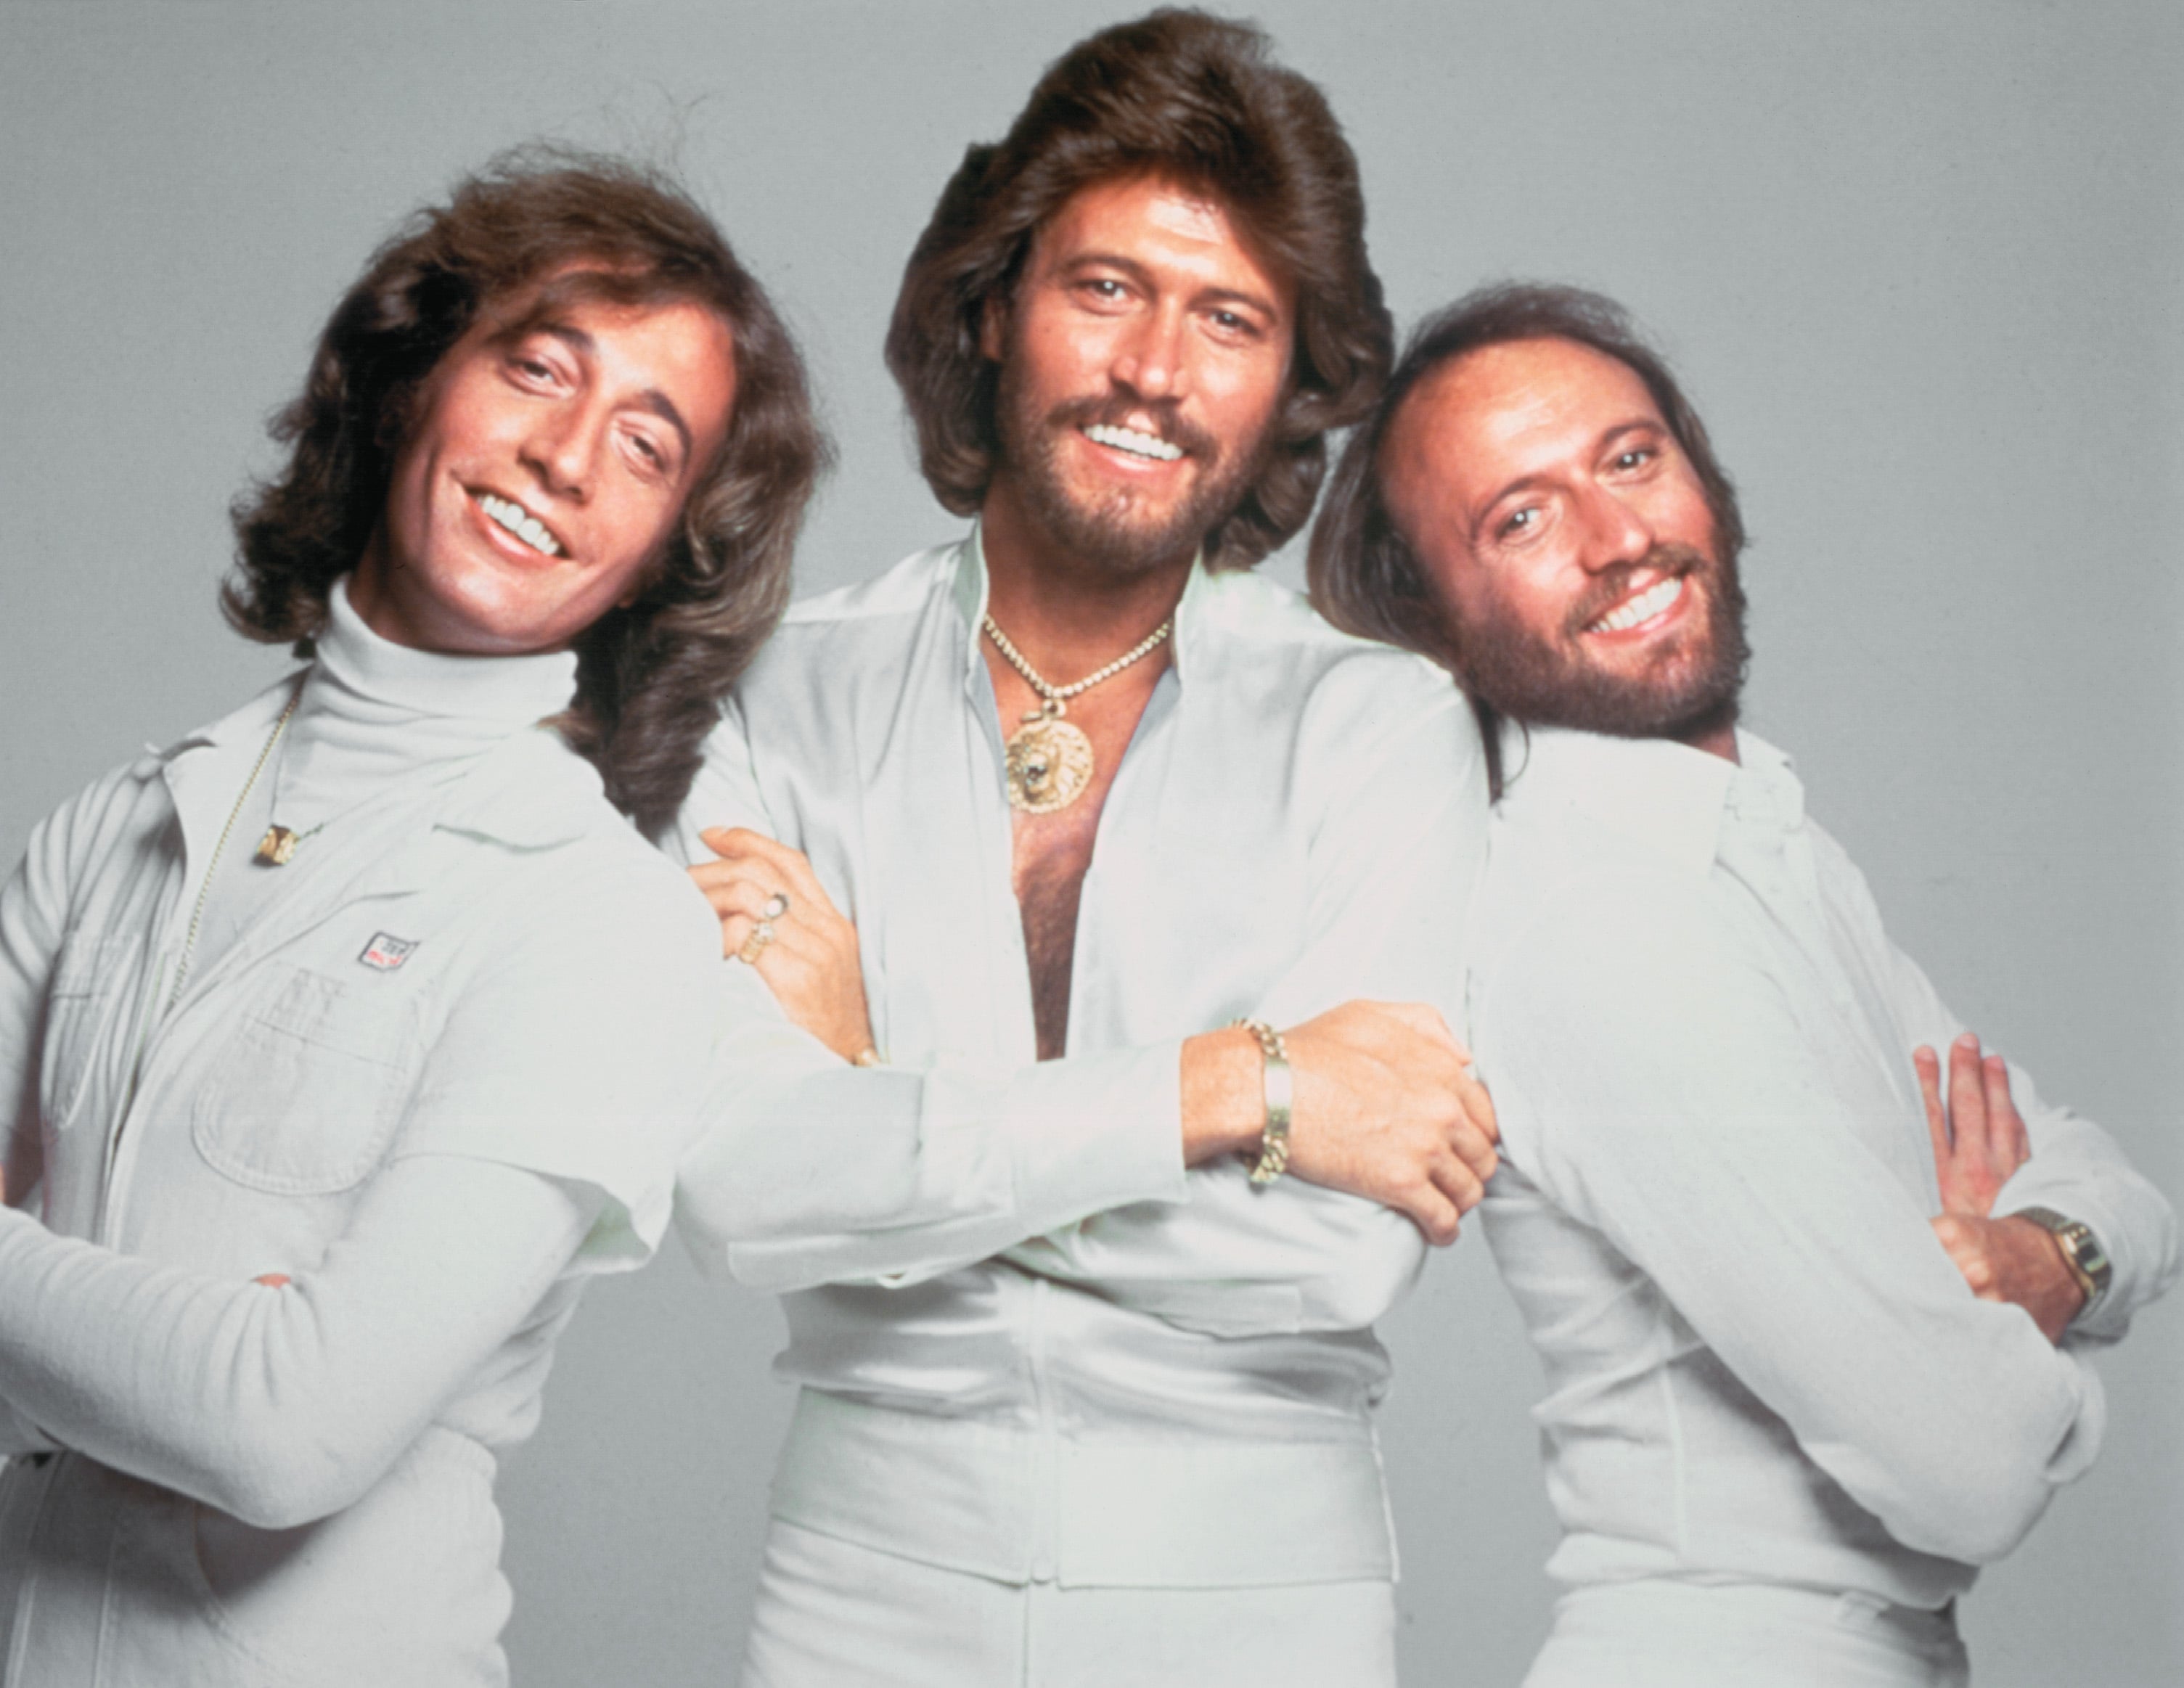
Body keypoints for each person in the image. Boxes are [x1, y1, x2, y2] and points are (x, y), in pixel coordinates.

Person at [670, 12, 1497, 1684]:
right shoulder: (766, 696)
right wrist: (1232, 1087)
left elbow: (1330, 1255)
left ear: (1289, 383)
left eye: (1228, 319)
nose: (1154, 371)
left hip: (1261, 1608)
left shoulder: (1378, 727)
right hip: (858, 1605)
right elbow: (741, 1190)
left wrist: (879, 1093)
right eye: (1105, 287)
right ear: (992, 306)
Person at [0, 150, 825, 1685]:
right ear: (408, 381)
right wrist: (162, 1349)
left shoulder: (601, 926)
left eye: (645, 445)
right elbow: (233, 1392)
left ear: (666, 552)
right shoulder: (115, 828)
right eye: (537, 368)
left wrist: (153, 1363)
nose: (565, 457)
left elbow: (284, 1429)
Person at [1309, 281, 2179, 1687]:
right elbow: (1964, 1464)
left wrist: (2047, 1254)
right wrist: (2031, 1350)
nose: (1615, 538)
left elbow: (2099, 1173)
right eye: (1518, 519)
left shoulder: (1757, 842)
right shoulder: (1599, 916)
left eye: (1628, 457)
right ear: (1438, 628)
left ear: (1703, 477)